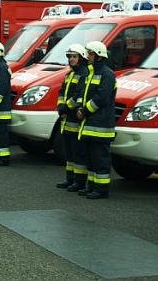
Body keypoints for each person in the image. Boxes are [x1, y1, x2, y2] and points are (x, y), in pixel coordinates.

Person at [76, 41, 116, 199]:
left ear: (99, 56)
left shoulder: (107, 74)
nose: (88, 56)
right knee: (91, 158)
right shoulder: (90, 73)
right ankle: (91, 186)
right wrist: (81, 108)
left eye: (91, 54)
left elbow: (101, 98)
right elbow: (84, 94)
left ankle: (101, 190)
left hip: (101, 125)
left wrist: (85, 111)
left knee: (100, 159)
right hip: (90, 123)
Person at [56, 43, 89, 191]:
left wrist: (66, 107)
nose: (71, 59)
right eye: (69, 57)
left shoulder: (84, 74)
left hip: (75, 120)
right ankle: (69, 179)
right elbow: (62, 92)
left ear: (81, 58)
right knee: (69, 152)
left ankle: (79, 182)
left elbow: (79, 96)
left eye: (74, 57)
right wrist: (59, 107)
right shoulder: (69, 74)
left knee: (78, 153)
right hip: (66, 119)